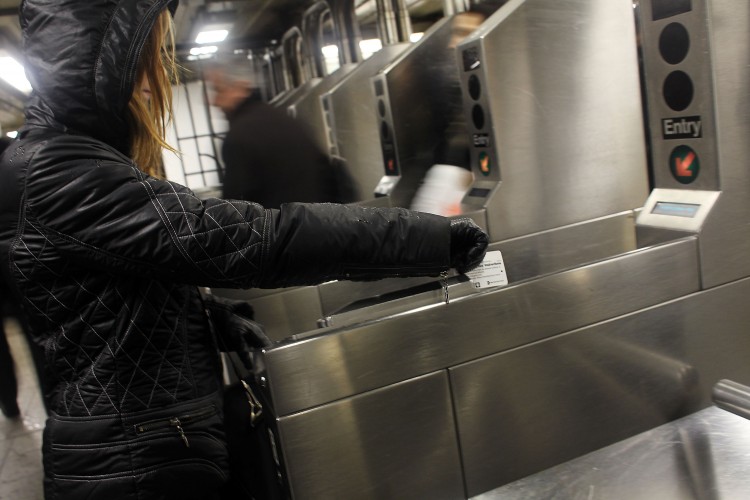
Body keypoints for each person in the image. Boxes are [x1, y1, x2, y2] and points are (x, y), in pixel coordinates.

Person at [0, 1, 488, 499]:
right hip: (132, 466)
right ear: (98, 69)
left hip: (132, 450)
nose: (152, 85)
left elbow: (99, 304)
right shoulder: (59, 169)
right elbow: (258, 239)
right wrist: (430, 238)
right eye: (144, 66)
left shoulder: (56, 158)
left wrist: (201, 319)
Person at [205, 57, 358, 207]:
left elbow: (235, 213)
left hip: (285, 230)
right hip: (322, 224)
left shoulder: (239, 137)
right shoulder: (284, 119)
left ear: (241, 87)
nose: (215, 102)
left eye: (219, 91)